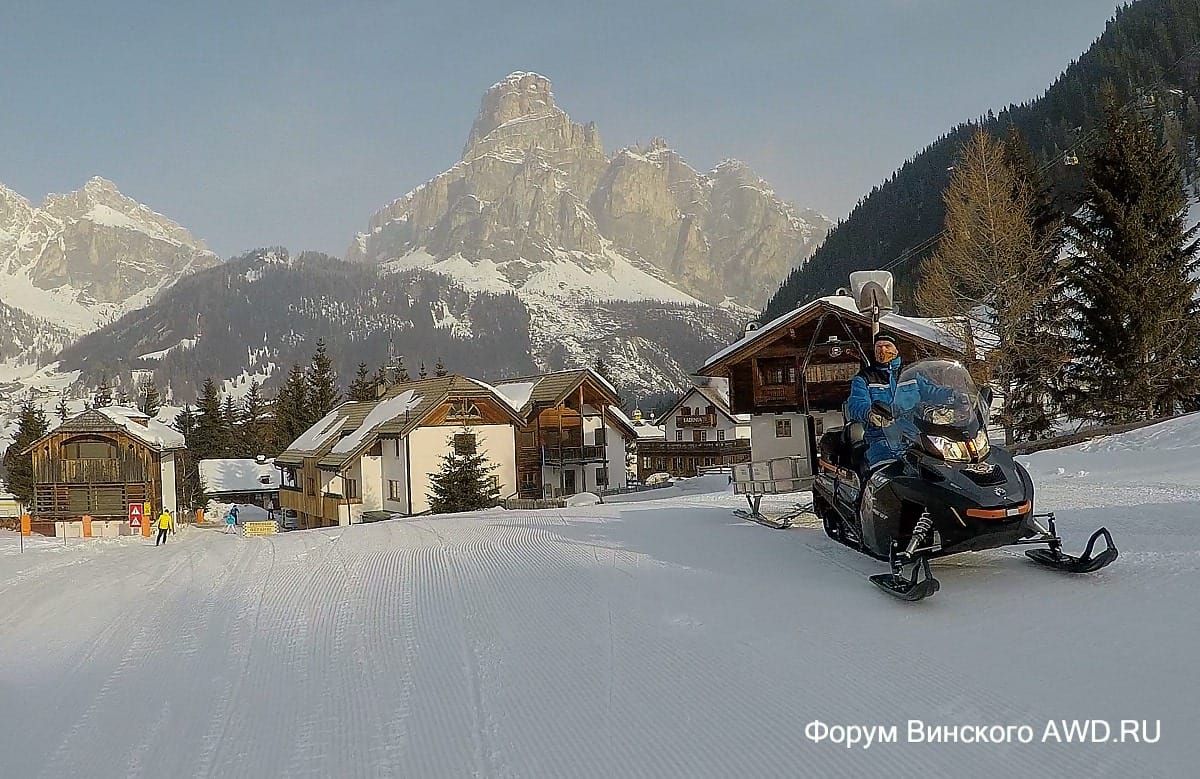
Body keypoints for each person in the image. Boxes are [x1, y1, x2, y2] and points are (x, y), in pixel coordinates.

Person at [847, 333, 952, 469]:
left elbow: (932, 391)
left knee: (941, 470)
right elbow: (856, 403)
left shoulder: (910, 374)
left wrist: (955, 395)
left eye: (887, 346)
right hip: (881, 437)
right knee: (888, 473)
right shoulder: (864, 378)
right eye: (879, 347)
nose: (883, 350)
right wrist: (870, 414)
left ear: (896, 350)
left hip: (917, 436)